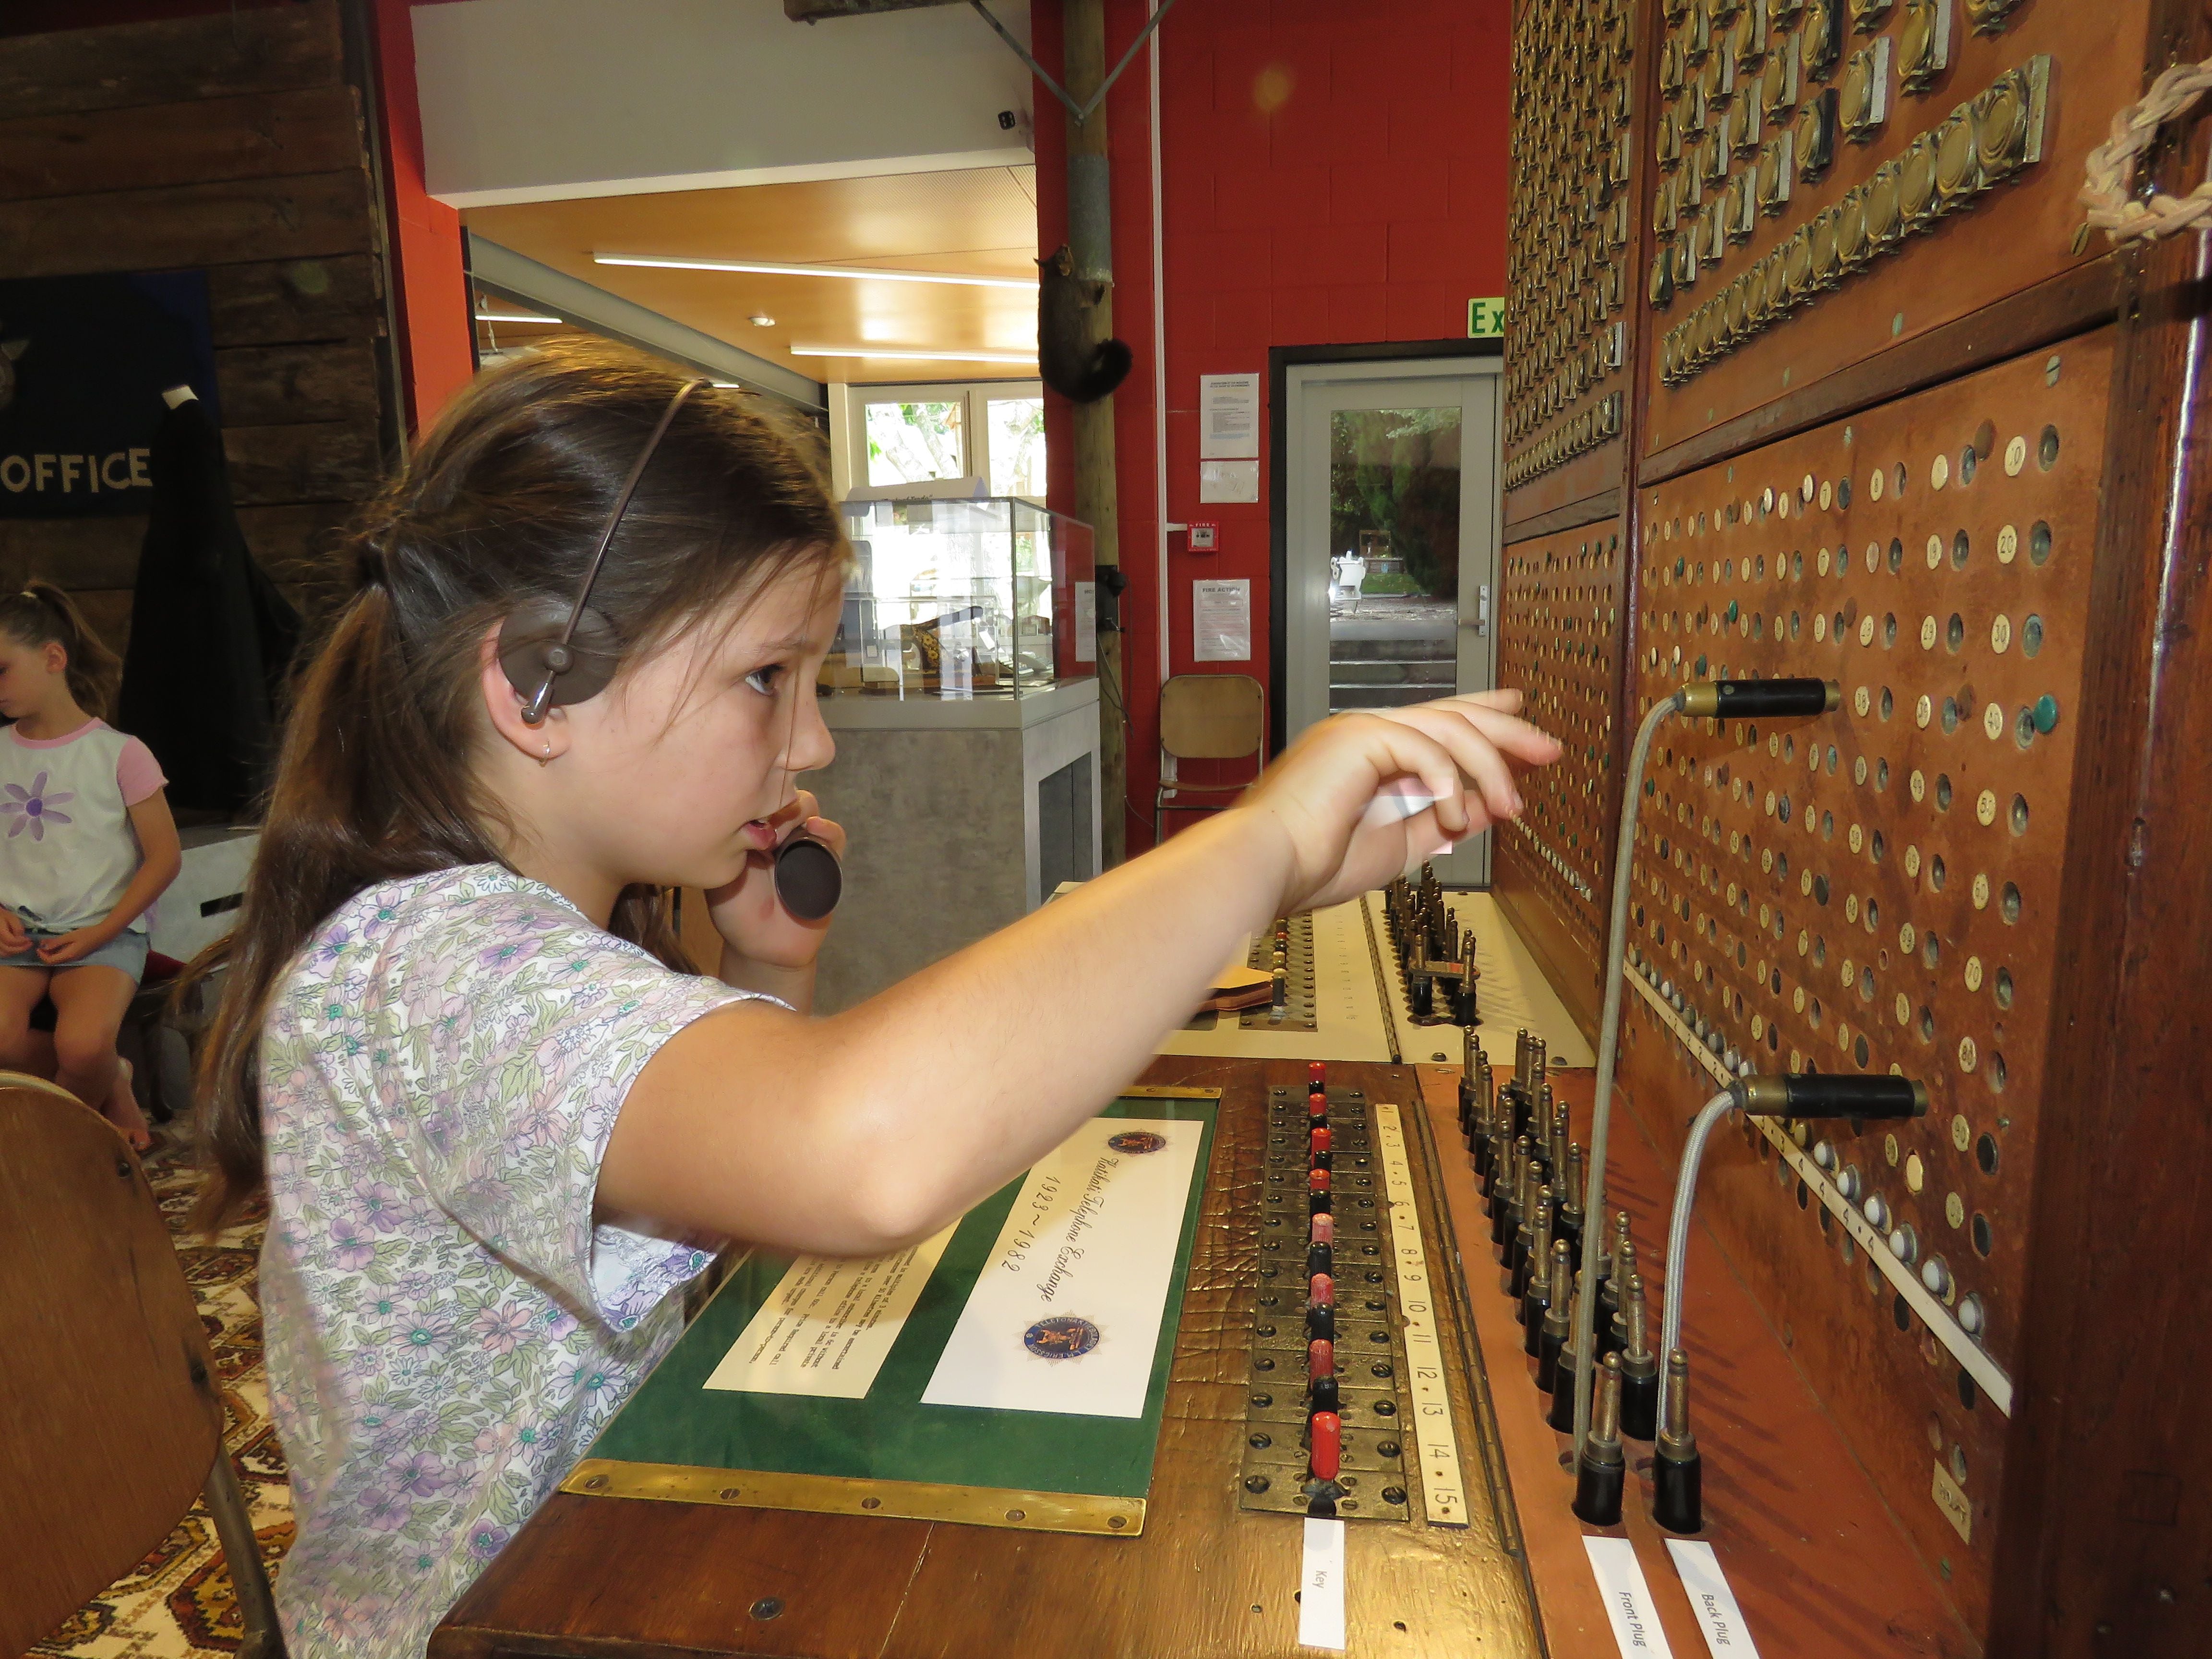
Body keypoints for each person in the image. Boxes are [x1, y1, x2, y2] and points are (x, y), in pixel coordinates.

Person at [186, 341, 1561, 1657]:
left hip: (606, 1562)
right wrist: (1259, 840)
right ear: (536, 682)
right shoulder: (431, 970)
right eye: (766, 678)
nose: (815, 740)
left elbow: (718, 1165)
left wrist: (770, 967)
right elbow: (857, 1152)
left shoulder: (516, 937)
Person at [0, 581, 182, 1152]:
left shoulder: (121, 753)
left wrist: (100, 933)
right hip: (18, 932)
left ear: (54, 659)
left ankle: (64, 1144)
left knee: (82, 1045)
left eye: (2, 669)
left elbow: (165, 857)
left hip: (104, 932)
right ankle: (113, 1078)